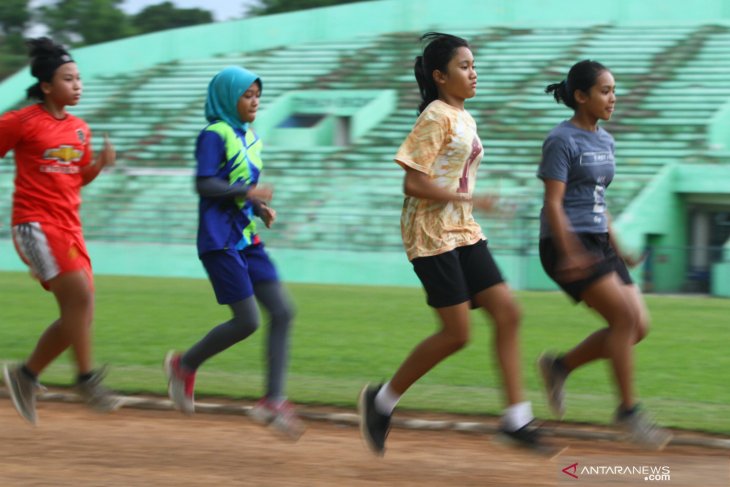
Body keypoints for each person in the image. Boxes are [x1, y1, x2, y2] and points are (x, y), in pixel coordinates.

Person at [358, 32, 553, 457]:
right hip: (431, 234)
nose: (473, 72)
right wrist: (470, 197)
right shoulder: (436, 115)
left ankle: (516, 420)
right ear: (440, 76)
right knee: (456, 334)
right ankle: (381, 401)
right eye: (464, 66)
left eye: (473, 64)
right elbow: (413, 181)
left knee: (508, 312)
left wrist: (468, 206)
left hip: (463, 230)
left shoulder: (464, 116)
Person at [536, 59, 672, 450]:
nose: (613, 98)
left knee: (637, 327)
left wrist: (620, 247)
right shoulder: (561, 140)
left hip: (598, 239)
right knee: (624, 317)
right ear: (581, 96)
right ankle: (629, 412)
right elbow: (555, 203)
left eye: (614, 90)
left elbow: (598, 200)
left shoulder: (605, 139)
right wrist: (570, 251)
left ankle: (559, 366)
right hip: (565, 242)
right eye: (605, 91)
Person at [164, 66, 303, 439]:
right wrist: (249, 195)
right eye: (247, 95)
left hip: (245, 238)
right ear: (228, 98)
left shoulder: (251, 138)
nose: (255, 101)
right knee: (247, 321)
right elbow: (205, 183)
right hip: (219, 240)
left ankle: (273, 400)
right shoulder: (214, 134)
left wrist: (259, 207)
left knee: (284, 311)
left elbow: (242, 187)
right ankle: (184, 364)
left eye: (258, 94)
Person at [1, 37, 121, 425]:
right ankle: (86, 380)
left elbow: (76, 177)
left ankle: (25, 375)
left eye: (79, 79)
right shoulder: (22, 121)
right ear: (47, 86)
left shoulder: (80, 130)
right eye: (68, 79)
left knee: (79, 314)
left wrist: (99, 164)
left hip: (69, 227)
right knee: (81, 298)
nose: (77, 85)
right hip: (35, 223)